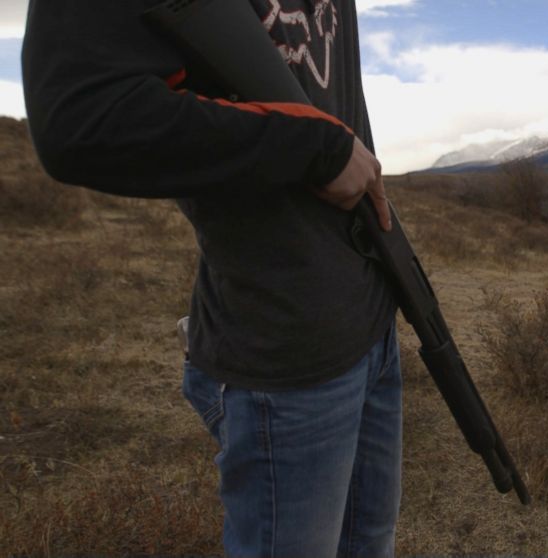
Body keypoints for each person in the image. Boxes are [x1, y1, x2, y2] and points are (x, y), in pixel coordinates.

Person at [21, 0, 402, 555]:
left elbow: (329, 102)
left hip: (371, 319)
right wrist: (315, 149)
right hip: (284, 348)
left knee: (371, 543)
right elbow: (79, 118)